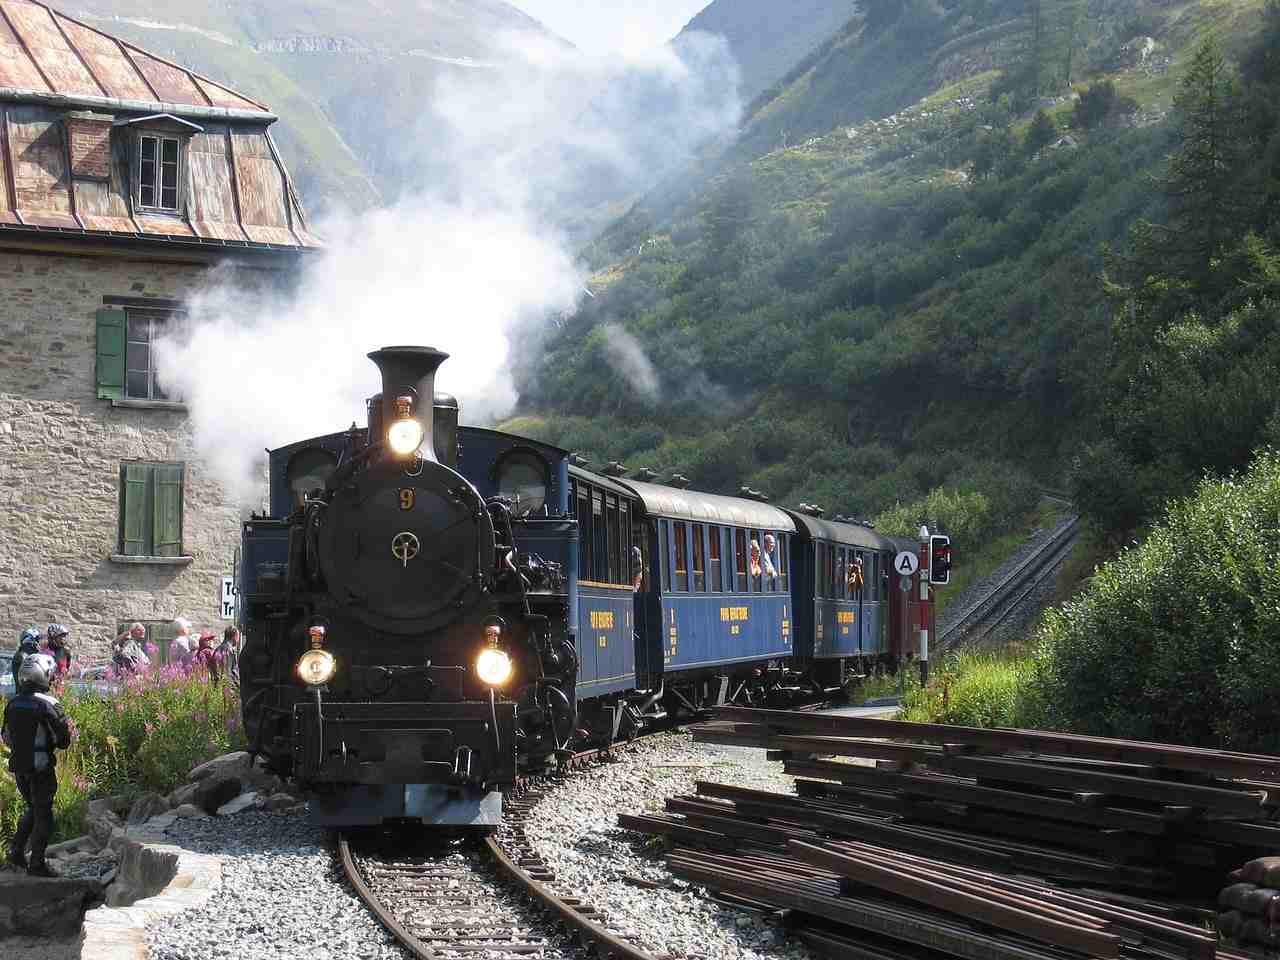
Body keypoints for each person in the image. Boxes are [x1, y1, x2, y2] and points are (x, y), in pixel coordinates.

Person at [3, 653, 71, 877]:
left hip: (19, 767)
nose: (52, 679)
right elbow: (63, 741)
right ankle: (37, 864)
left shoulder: (12, 703)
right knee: (44, 814)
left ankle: (15, 853)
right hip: (41, 768)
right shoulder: (49, 704)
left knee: (32, 808)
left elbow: (6, 737)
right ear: (44, 675)